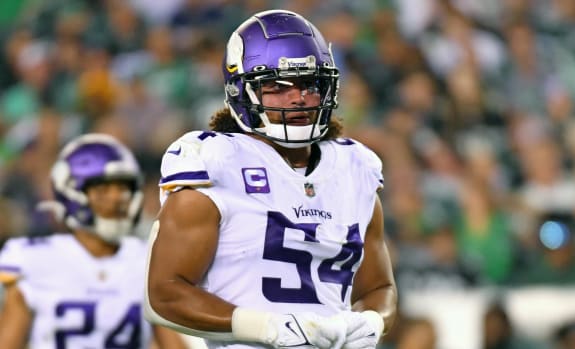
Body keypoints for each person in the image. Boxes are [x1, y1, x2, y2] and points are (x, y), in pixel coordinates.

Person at [145, 9, 397, 349]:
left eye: (310, 84)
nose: (298, 98)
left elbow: (379, 289)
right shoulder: (217, 164)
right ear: (241, 92)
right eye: (276, 86)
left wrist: (370, 321)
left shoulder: (355, 169)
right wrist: (265, 327)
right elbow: (162, 295)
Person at [0, 133, 187, 349]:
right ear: (71, 192)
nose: (116, 199)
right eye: (103, 189)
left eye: (123, 188)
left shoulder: (148, 259)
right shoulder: (34, 259)